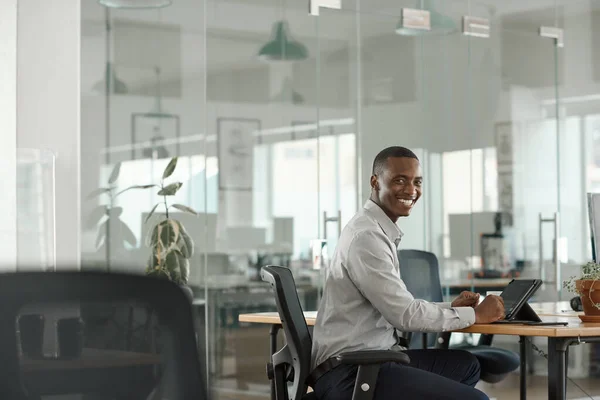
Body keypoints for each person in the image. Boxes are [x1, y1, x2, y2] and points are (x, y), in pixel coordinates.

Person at [310, 146, 505, 400]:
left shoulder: (378, 231)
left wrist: (452, 307)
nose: (411, 190)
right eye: (399, 180)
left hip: (375, 358)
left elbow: (400, 306)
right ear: (375, 182)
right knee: (476, 399)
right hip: (352, 371)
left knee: (467, 366)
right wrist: (474, 314)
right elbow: (404, 315)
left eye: (417, 182)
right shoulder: (366, 237)